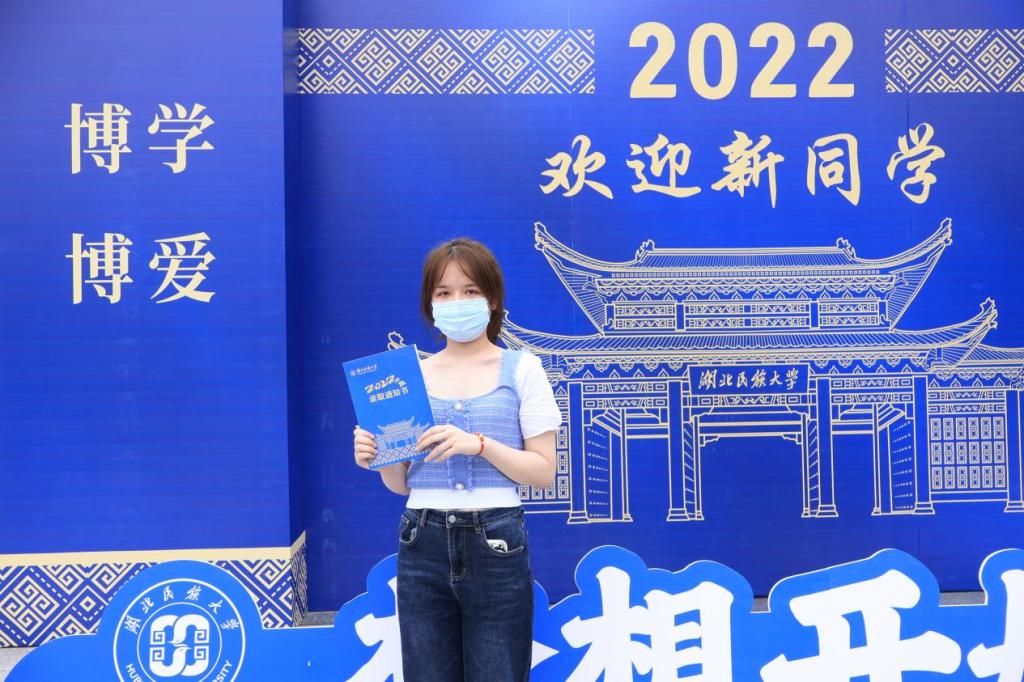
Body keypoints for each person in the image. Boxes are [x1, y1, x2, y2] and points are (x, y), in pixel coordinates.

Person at [352, 237, 562, 681]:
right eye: (443, 293)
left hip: (497, 541)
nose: (456, 302)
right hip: (421, 538)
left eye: (470, 291)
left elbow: (543, 471)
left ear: (493, 299)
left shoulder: (522, 368)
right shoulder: (408, 376)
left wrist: (480, 445)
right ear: (430, 304)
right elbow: (402, 483)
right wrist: (378, 456)